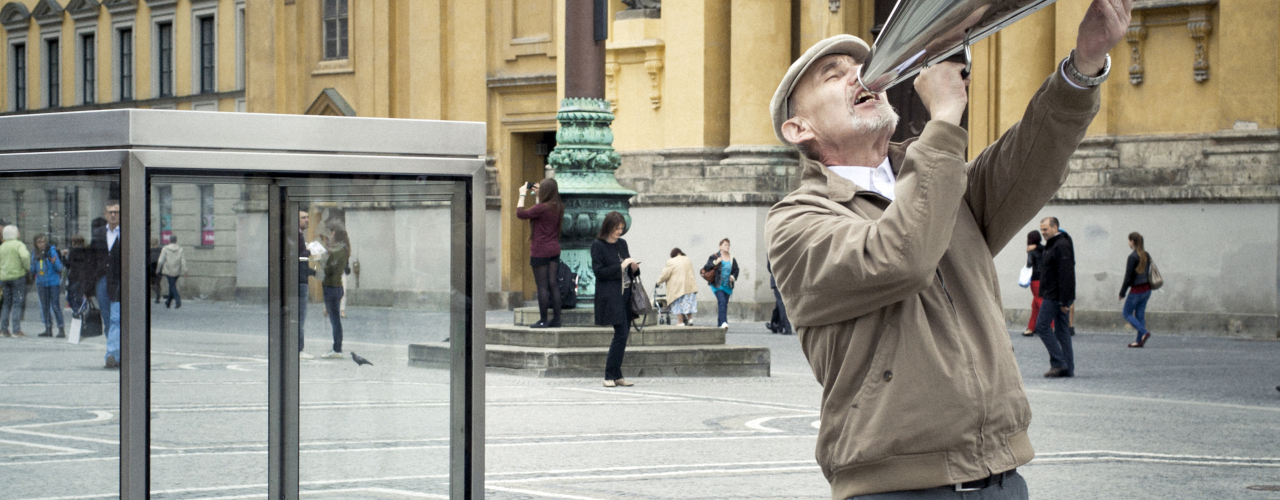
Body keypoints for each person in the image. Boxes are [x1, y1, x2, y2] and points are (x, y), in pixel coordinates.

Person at [763, 0, 1128, 495]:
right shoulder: (797, 220)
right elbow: (901, 258)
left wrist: (1083, 66)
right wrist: (947, 115)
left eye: (862, 68)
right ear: (798, 129)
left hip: (1001, 476)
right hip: (897, 487)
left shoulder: (938, 175)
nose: (860, 77)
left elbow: (1033, 158)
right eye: (835, 75)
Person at [592, 211, 638, 388]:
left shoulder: (622, 244)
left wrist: (633, 267)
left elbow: (629, 269)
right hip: (611, 296)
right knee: (620, 334)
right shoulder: (598, 246)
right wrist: (620, 267)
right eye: (617, 228)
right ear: (609, 227)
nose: (620, 232)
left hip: (626, 293)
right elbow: (599, 272)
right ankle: (609, 375)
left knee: (624, 334)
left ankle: (617, 375)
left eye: (622, 228)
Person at [516, 178, 564, 328]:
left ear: (545, 191)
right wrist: (538, 194)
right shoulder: (558, 206)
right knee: (553, 285)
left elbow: (520, 213)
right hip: (554, 249)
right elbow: (542, 210)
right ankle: (556, 319)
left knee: (542, 286)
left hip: (540, 250)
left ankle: (543, 320)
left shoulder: (541, 208)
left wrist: (522, 194)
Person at [1036, 217, 1076, 378]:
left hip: (1055, 295)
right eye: (1041, 230)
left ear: (1055, 227)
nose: (1043, 233)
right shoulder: (1056, 243)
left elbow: (1066, 274)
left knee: (1042, 326)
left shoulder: (1061, 245)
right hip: (1056, 294)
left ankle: (1059, 363)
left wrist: (1064, 301)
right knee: (1061, 330)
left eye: (1045, 229)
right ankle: (1068, 367)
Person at [91, 201, 123, 369]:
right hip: (102, 280)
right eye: (110, 212)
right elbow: (91, 260)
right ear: (105, 214)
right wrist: (88, 288)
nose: (113, 215)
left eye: (116, 212)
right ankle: (117, 353)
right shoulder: (97, 233)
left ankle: (111, 354)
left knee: (116, 318)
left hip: (120, 280)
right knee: (108, 319)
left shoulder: (127, 233)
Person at [320, 224, 350, 359]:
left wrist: (322, 259)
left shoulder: (337, 250)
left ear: (334, 233)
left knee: (335, 320)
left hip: (332, 286)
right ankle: (337, 348)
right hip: (337, 286)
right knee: (335, 319)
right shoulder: (343, 249)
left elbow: (328, 270)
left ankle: (337, 349)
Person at [1119, 231, 1154, 348]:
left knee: (1126, 313)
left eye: (1129, 240)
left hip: (1137, 291)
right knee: (1140, 315)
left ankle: (1144, 332)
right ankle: (1139, 341)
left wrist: (1122, 292)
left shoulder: (1132, 257)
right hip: (1147, 289)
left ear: (1132, 242)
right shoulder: (1146, 255)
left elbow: (1128, 277)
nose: (1128, 243)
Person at [31, 234, 65, 338]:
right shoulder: (35, 253)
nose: (41, 244)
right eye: (39, 242)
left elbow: (59, 267)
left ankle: (61, 328)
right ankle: (48, 328)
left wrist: (54, 262)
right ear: (36, 244)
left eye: (43, 241)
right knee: (45, 306)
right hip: (41, 283)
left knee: (55, 305)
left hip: (53, 282)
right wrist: (32, 271)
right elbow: (32, 268)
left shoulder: (51, 251)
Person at [0, 225, 31, 338]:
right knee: (18, 302)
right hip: (17, 277)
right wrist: (27, 267)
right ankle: (16, 329)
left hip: (4, 278)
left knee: (6, 303)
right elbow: (25, 256)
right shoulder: (18, 244)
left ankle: (3, 329)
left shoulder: (2, 246)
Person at [701, 239, 739, 328]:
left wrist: (733, 277)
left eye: (728, 245)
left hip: (727, 286)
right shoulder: (714, 256)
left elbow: (736, 270)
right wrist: (715, 262)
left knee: (724, 303)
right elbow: (706, 267)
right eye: (725, 245)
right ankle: (724, 322)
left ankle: (720, 324)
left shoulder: (732, 258)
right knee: (722, 301)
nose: (727, 246)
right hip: (717, 284)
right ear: (720, 246)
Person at [655, 248, 697, 327]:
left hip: (677, 287)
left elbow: (665, 274)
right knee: (687, 303)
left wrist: (658, 282)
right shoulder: (687, 259)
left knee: (678, 304)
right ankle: (690, 318)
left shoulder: (672, 261)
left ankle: (680, 321)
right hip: (689, 286)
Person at [298, 210, 316, 360]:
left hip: (302, 278)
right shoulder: (297, 236)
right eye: (303, 218)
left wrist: (314, 272)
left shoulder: (300, 235)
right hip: (300, 282)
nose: (307, 220)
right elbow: (298, 257)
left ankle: (298, 347)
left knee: (300, 317)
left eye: (308, 217)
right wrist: (309, 251)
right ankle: (299, 349)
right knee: (300, 317)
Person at [156, 235, 188, 309]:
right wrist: (185, 270)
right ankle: (168, 302)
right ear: (176, 241)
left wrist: (158, 269)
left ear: (169, 241)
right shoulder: (180, 249)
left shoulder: (165, 249)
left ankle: (178, 300)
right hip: (177, 270)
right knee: (172, 285)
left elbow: (161, 260)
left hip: (168, 270)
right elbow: (183, 261)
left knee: (172, 286)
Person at [1023, 230, 1045, 336]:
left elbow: (1029, 264)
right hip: (1045, 278)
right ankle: (1031, 327)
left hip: (1036, 279)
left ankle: (1051, 326)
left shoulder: (1031, 250)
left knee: (1040, 303)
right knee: (1035, 304)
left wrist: (1028, 253)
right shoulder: (1043, 248)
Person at [63, 235, 92, 316]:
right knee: (80, 294)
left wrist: (63, 258)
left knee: (71, 295)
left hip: (74, 276)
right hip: (83, 276)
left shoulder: (73, 252)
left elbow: (68, 265)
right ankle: (81, 309)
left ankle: (76, 310)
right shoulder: (86, 252)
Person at [767, 260, 792, 335]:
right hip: (786, 279)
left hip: (777, 279)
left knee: (781, 303)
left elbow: (769, 267)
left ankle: (787, 327)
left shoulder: (770, 250)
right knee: (779, 303)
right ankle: (776, 325)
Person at [148, 237, 162, 304]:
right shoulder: (161, 250)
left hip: (151, 269)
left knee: (153, 283)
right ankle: (158, 296)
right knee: (158, 283)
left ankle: (157, 295)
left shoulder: (150, 251)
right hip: (159, 269)